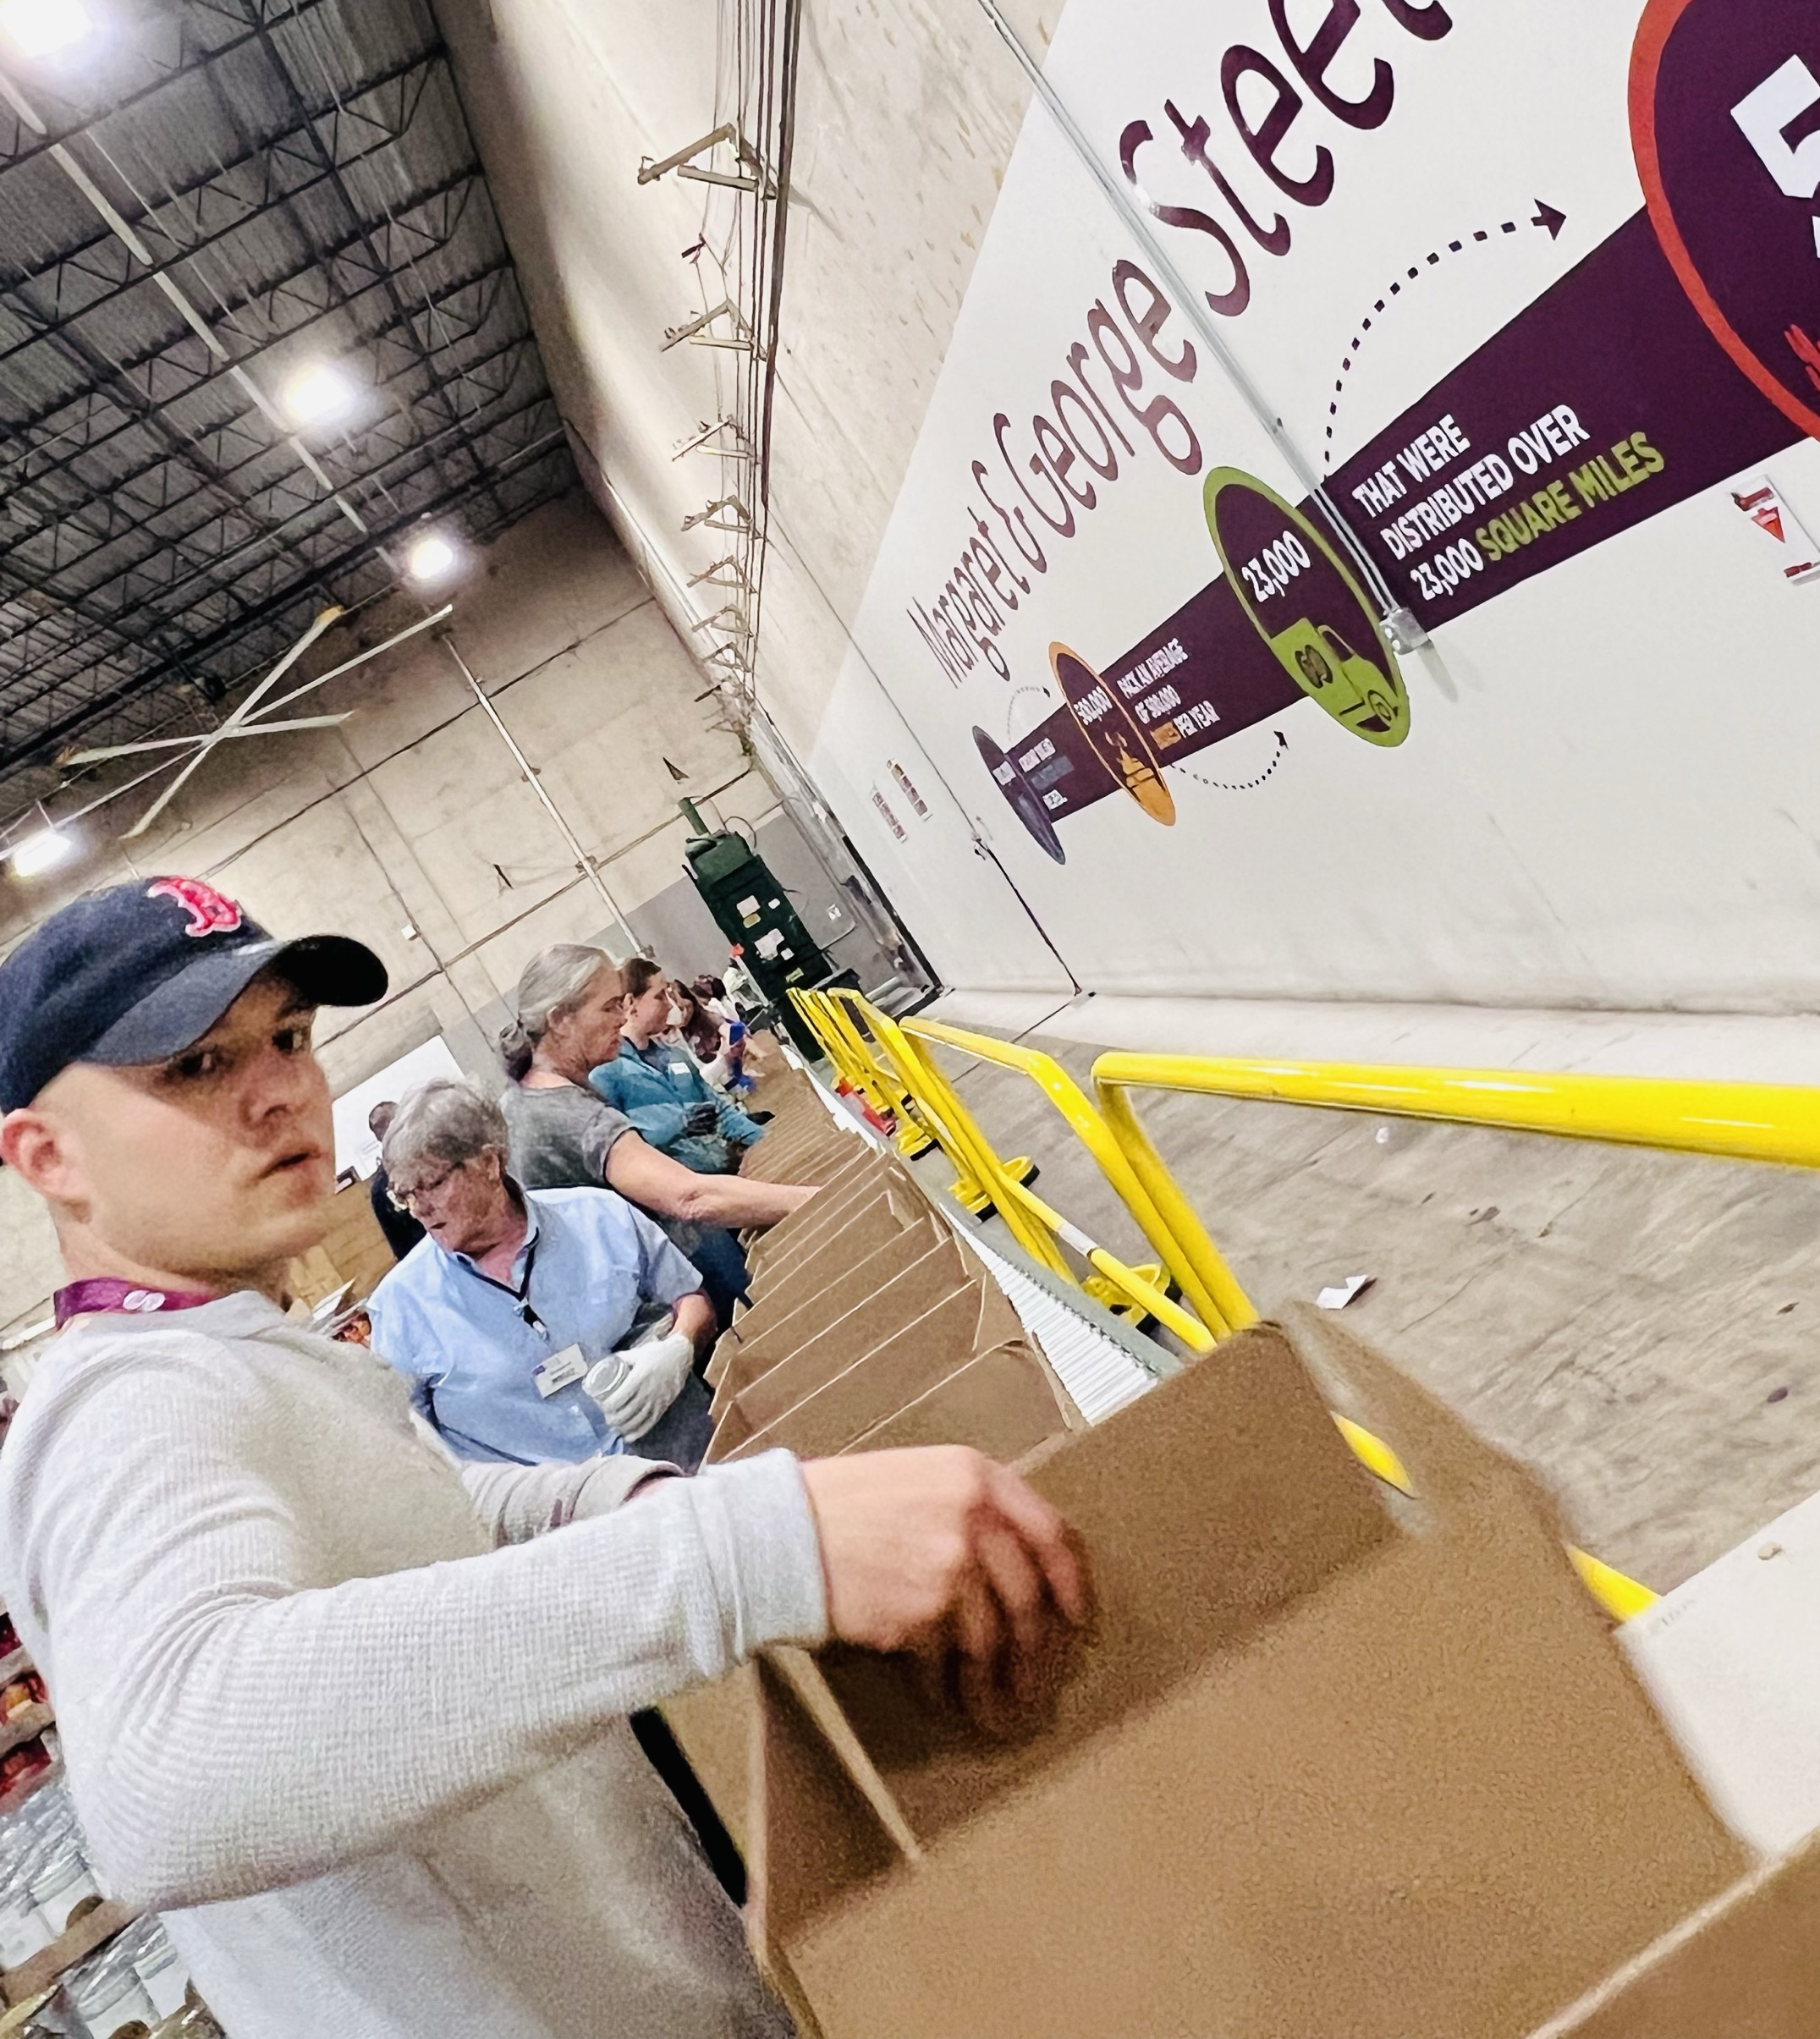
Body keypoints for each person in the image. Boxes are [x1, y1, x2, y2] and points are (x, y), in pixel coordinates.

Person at [0, 872, 1086, 2039]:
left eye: (289, 1037)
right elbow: (174, 1772)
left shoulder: (239, 1353)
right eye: (197, 1068)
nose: (281, 1092)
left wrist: (626, 1497)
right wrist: (750, 1552)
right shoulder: (125, 1408)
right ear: (48, 1156)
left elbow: (413, 1517)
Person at [368, 1081, 713, 1470]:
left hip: (688, 1463)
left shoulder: (598, 1216)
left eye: (432, 1185)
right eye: (404, 1195)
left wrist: (678, 1350)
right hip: (567, 1518)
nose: (419, 1209)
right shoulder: (400, 1307)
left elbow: (692, 1298)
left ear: (489, 1163)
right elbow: (409, 1443)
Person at [499, 946, 794, 1325]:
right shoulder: (566, 1114)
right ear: (560, 1020)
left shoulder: (527, 1098)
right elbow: (689, 1196)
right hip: (651, 1301)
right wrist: (812, 1200)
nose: (622, 1018)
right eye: (609, 1007)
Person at [590, 959, 759, 1174]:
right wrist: (677, 1128)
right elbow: (621, 1152)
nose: (670, 1004)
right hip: (692, 1191)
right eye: (660, 996)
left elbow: (719, 1110)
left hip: (727, 1171)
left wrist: (764, 1140)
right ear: (632, 1004)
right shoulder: (606, 1073)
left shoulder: (675, 1056)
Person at [364, 1100, 423, 1261]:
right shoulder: (381, 1189)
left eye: (390, 1120)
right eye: (380, 1126)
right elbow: (401, 1248)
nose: (387, 1129)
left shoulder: (443, 1154)